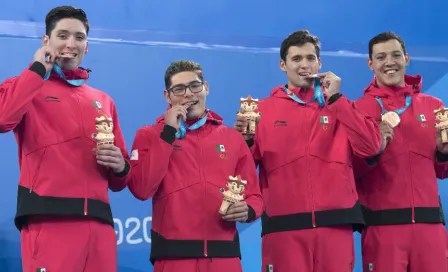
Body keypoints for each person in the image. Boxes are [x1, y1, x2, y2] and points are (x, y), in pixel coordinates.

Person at [233, 29, 382, 272]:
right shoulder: (260, 111)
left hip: (336, 226)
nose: (305, 65)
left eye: (310, 58)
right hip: (283, 228)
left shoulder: (342, 107)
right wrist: (246, 141)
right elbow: (242, 171)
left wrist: (336, 101)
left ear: (320, 63)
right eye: (296, 59)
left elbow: (371, 147)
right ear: (283, 65)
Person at [0, 6, 131, 272]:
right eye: (62, 35)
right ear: (46, 41)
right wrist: (38, 68)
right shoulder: (23, 86)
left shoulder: (103, 101)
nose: (71, 44)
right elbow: (3, 119)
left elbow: (121, 180)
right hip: (48, 221)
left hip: (99, 225)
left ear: (87, 46)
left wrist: (120, 166)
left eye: (79, 37)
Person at [128, 60, 263, 272]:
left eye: (194, 85)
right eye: (179, 89)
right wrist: (168, 134)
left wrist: (248, 210)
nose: (188, 94)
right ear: (167, 96)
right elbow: (142, 189)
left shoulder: (232, 138)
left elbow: (254, 195)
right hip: (173, 258)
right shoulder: (149, 135)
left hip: (224, 258)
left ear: (206, 87)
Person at [353, 31, 448, 272]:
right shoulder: (358, 110)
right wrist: (374, 151)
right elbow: (350, 171)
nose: (389, 62)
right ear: (370, 64)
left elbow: (442, 171)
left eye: (396, 55)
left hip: (430, 228)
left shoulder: (435, 106)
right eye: (381, 57)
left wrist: (444, 153)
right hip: (382, 229)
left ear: (406, 58)